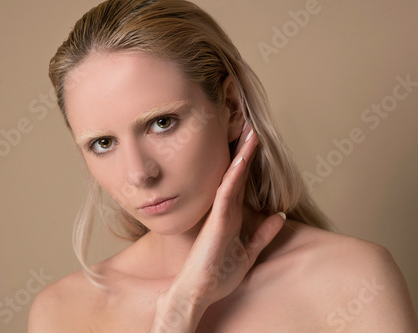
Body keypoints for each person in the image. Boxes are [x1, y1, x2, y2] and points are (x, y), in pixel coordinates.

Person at [28, 0, 418, 331]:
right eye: (103, 143)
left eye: (162, 123)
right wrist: (179, 311)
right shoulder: (63, 313)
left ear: (230, 106)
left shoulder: (355, 280)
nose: (138, 174)